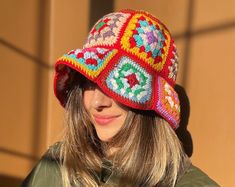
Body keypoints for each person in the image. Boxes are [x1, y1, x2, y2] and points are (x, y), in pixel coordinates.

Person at [22, 9, 220, 187]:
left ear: (152, 102)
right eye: (89, 83)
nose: (97, 103)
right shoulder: (57, 163)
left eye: (116, 85)